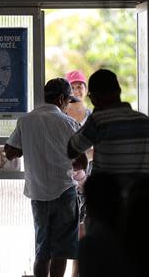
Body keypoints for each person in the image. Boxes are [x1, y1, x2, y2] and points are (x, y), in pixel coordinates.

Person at [4, 78, 87, 277]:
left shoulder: (26, 120)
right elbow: (81, 161)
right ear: (60, 99)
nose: (68, 105)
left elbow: (10, 151)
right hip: (64, 192)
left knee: (42, 251)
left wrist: (31, 148)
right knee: (61, 251)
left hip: (38, 193)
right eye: (68, 101)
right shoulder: (69, 123)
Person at [67, 69, 149, 196]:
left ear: (93, 98)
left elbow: (72, 149)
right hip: (138, 201)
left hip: (108, 201)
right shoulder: (146, 122)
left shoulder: (98, 121)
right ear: (119, 91)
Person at [65, 70, 92, 277]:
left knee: (83, 237)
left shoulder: (93, 118)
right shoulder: (62, 118)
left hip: (87, 186)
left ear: (86, 89)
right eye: (73, 87)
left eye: (80, 86)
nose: (77, 90)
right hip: (65, 184)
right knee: (64, 237)